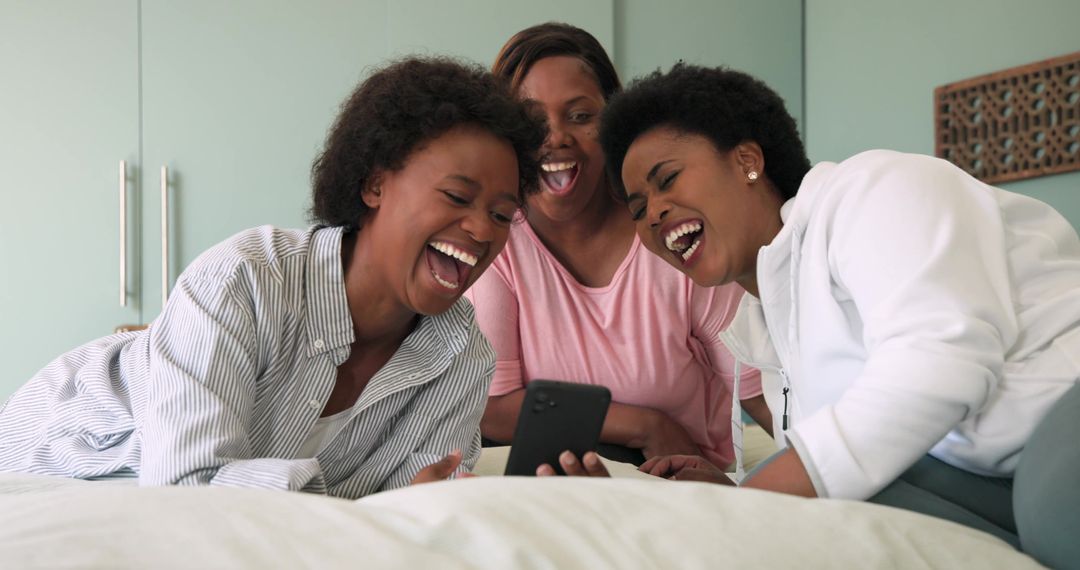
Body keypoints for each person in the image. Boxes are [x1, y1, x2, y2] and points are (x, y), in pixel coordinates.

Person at [588, 62, 1080, 559]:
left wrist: (749, 500)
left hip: (1059, 411)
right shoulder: (768, 328)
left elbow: (941, 360)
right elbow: (850, 462)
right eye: (637, 208)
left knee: (1053, 511)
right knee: (821, 529)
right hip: (989, 478)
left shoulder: (869, 190)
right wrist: (740, 500)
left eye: (667, 178)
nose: (653, 213)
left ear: (746, 161)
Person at [0, 57, 546, 499]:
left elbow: (415, 503)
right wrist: (349, 511)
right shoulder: (247, 278)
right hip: (63, 461)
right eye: (456, 197)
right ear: (375, 183)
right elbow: (184, 492)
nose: (480, 230)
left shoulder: (462, 356)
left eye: (502, 215)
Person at [466, 23, 770, 469]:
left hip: (677, 481)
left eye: (580, 115)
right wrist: (645, 425)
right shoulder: (500, 241)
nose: (556, 137)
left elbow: (762, 395)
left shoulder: (672, 234)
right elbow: (493, 408)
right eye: (531, 120)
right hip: (551, 482)